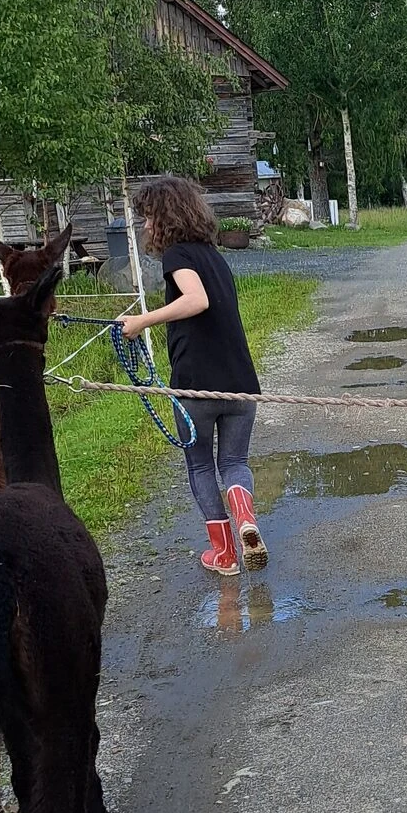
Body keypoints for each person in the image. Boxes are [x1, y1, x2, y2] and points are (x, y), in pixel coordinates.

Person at [121, 175, 267, 577]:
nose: (146, 226)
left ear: (165, 218)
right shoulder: (214, 256)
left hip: (196, 384)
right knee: (234, 462)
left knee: (201, 466)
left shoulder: (177, 255)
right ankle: (245, 517)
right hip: (240, 383)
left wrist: (142, 321)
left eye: (148, 218)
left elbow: (196, 300)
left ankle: (225, 554)